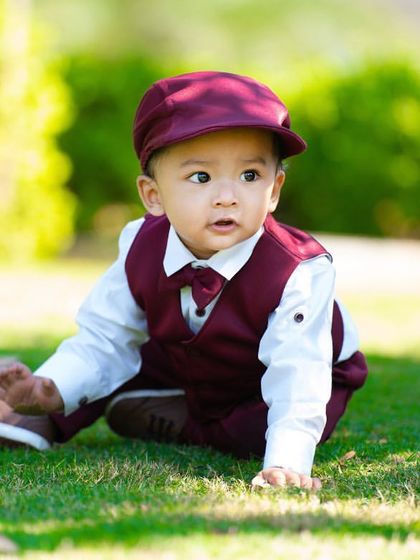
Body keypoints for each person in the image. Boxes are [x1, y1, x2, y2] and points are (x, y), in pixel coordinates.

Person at [0, 71, 368, 489]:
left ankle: (185, 418)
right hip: (186, 356)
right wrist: (55, 386)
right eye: (201, 177)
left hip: (289, 373)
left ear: (275, 189)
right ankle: (38, 408)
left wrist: (287, 461)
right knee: (114, 360)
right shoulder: (141, 243)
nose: (227, 195)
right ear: (153, 195)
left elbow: (298, 370)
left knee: (251, 435)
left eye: (250, 175)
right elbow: (106, 336)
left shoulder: (299, 270)